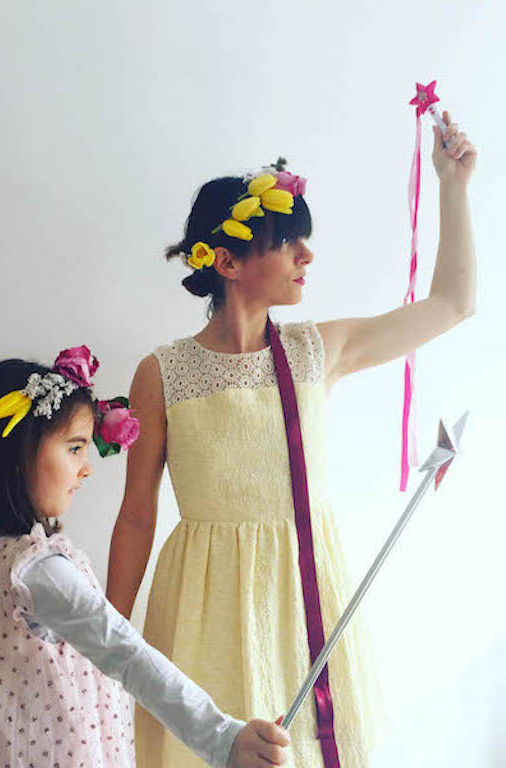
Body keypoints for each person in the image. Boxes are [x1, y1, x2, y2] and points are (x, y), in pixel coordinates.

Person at [106, 114, 477, 767]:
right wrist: (104, 639)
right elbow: (137, 514)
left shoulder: (315, 351)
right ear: (227, 262)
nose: (307, 256)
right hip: (204, 607)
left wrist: (453, 186)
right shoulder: (163, 373)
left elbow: (453, 304)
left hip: (304, 595)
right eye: (288, 242)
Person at [0, 345, 291, 767]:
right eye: (74, 448)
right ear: (18, 452)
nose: (86, 468)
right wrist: (223, 738)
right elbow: (127, 653)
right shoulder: (36, 570)